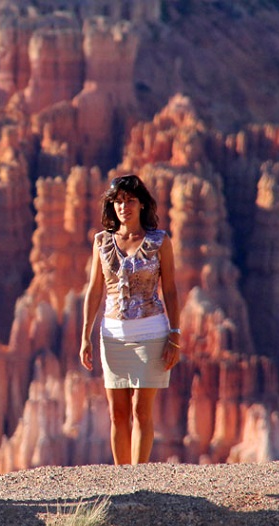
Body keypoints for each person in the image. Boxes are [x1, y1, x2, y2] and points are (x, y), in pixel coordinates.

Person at [79, 174, 180, 465]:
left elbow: (170, 290)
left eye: (130, 200)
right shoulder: (101, 242)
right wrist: (85, 336)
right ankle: (122, 479)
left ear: (142, 204)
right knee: (117, 414)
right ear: (112, 206)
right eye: (119, 201)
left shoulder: (160, 242)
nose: (124, 207)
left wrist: (175, 334)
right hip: (112, 336)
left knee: (141, 411)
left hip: (151, 334)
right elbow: (94, 290)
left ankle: (139, 478)